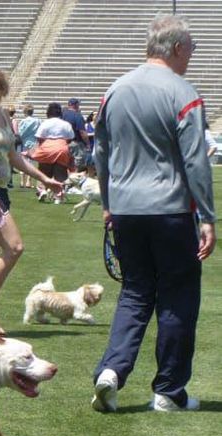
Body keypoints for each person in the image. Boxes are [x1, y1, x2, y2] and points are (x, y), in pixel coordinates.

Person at [91, 14, 215, 414]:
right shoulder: (183, 93)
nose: (192, 55)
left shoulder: (115, 90)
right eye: (191, 48)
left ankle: (111, 371)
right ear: (178, 48)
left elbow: (101, 152)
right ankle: (169, 390)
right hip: (171, 208)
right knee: (178, 296)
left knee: (135, 291)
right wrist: (209, 216)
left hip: (126, 208)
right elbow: (196, 161)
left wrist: (109, 201)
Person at [0, 70, 63, 337]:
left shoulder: (3, 116)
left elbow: (13, 156)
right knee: (15, 247)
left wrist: (43, 177)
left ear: (2, 91)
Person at [30, 102, 75, 203]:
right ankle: (58, 196)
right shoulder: (66, 124)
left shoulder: (45, 123)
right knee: (60, 174)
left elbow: (39, 138)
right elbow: (71, 138)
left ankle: (42, 190)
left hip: (46, 148)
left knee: (43, 172)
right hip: (61, 148)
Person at [16, 105, 41, 188]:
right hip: (34, 143)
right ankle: (29, 181)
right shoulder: (37, 121)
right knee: (31, 163)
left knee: (23, 161)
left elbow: (20, 132)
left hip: (24, 143)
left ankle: (22, 181)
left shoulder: (23, 121)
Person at [62, 97, 89, 169]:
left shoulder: (62, 115)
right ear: (76, 105)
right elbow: (82, 132)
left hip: (63, 143)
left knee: (65, 165)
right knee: (77, 166)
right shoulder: (77, 115)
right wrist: (87, 143)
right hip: (75, 143)